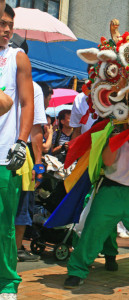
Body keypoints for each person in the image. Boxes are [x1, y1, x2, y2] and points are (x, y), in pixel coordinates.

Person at [64, 125, 129, 288]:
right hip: (111, 190)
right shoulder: (113, 130)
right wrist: (118, 136)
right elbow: (107, 160)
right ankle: (77, 271)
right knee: (93, 230)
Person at [0, 3, 34, 299]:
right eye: (1, 23)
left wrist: (22, 142)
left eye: (10, 23)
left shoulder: (17, 57)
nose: (7, 28)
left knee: (4, 224)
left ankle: (8, 281)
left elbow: (25, 103)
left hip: (3, 157)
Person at [15, 82, 47, 262]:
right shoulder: (33, 87)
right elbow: (36, 129)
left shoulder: (32, 87)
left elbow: (35, 128)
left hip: (21, 152)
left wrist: (37, 163)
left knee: (21, 207)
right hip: (16, 151)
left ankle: (14, 251)